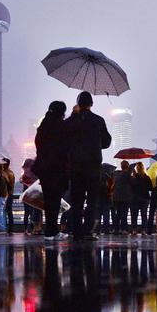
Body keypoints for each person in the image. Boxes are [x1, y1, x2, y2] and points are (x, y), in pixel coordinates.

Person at [64, 91, 112, 241]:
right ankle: (88, 231)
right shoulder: (98, 120)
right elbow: (106, 142)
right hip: (93, 167)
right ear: (91, 104)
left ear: (78, 104)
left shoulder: (71, 121)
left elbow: (63, 141)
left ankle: (77, 231)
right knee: (92, 200)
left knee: (76, 199)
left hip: (75, 167)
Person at [33, 100, 70, 240]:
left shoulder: (42, 127)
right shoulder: (62, 126)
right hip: (58, 167)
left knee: (48, 199)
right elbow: (66, 147)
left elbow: (39, 146)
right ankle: (52, 230)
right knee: (55, 199)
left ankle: (50, 230)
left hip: (44, 167)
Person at [0, 161, 15, 234]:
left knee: (0, 211)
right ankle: (9, 228)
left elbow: (0, 186)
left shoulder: (1, 175)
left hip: (2, 194)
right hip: (8, 194)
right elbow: (10, 185)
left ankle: (2, 227)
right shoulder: (10, 173)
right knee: (6, 211)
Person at [112, 160, 133, 233]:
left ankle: (116, 229)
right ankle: (124, 229)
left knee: (118, 213)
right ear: (127, 166)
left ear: (121, 166)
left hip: (117, 196)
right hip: (125, 196)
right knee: (124, 213)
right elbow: (133, 183)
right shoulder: (128, 174)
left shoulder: (116, 174)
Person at [131, 162, 152, 234]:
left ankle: (134, 229)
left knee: (134, 214)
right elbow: (151, 188)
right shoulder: (147, 177)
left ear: (137, 168)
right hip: (145, 198)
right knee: (144, 214)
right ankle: (144, 230)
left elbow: (132, 187)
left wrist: (133, 176)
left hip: (135, 198)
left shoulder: (135, 177)